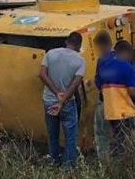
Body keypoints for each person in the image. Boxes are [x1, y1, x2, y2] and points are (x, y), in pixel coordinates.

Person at [39, 32, 85, 168]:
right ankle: (68, 166)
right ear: (79, 45)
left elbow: (42, 74)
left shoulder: (50, 54)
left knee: (52, 132)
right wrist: (62, 100)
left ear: (66, 41)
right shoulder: (80, 61)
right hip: (67, 103)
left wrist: (56, 92)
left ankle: (53, 158)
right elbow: (75, 85)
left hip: (48, 100)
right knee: (70, 135)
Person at [93, 30, 114, 160]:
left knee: (101, 132)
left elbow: (99, 82)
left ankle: (105, 162)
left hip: (106, 102)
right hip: (124, 103)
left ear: (101, 45)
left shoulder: (102, 60)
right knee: (120, 131)